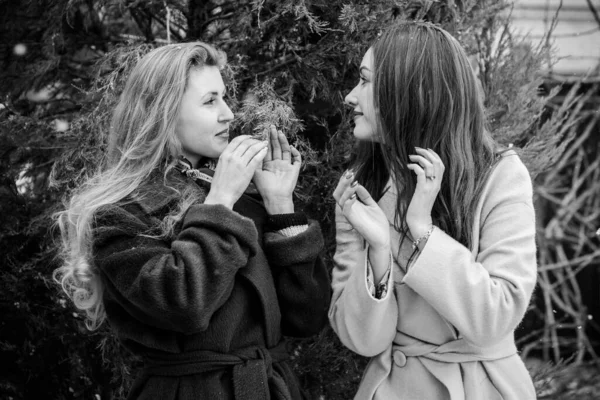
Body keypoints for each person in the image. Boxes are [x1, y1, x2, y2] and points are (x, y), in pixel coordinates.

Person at [54, 42, 330, 400]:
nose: (229, 113)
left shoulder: (241, 201)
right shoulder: (120, 213)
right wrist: (220, 204)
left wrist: (280, 205)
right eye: (210, 101)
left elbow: (306, 319)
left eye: (225, 98)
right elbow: (183, 305)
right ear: (164, 113)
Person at [328, 21, 537, 400]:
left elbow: (495, 317)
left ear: (410, 94)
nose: (349, 97)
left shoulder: (499, 176)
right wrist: (377, 250)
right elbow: (361, 339)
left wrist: (422, 230)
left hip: (480, 388)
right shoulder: (361, 188)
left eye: (364, 81)